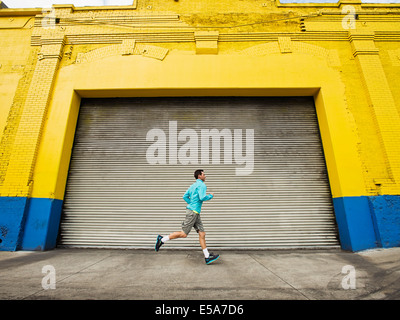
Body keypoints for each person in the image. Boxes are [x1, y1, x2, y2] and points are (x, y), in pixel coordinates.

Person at [155, 169, 220, 265]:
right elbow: (202, 197)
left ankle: (207, 256)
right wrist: (210, 196)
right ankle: (162, 239)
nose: (205, 176)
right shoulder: (202, 185)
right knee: (184, 234)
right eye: (204, 174)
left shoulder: (192, 186)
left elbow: (185, 196)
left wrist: (191, 204)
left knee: (202, 234)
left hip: (195, 213)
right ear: (199, 176)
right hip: (192, 213)